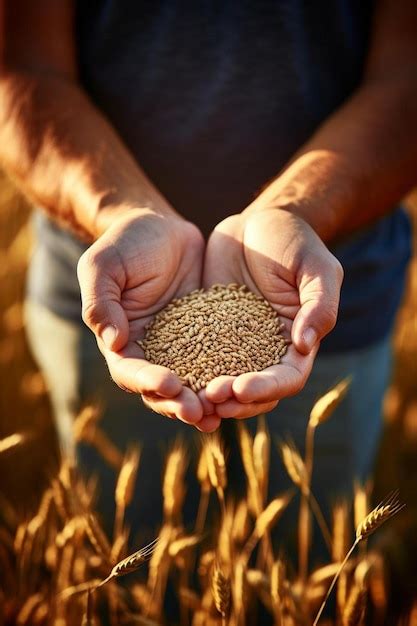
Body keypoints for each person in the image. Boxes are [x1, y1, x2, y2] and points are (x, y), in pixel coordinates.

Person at [0, 0, 415, 530]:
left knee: (309, 553)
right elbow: (24, 69)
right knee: (128, 547)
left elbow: (407, 77)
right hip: (118, 296)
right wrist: (120, 211)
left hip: (319, 300)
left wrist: (294, 209)